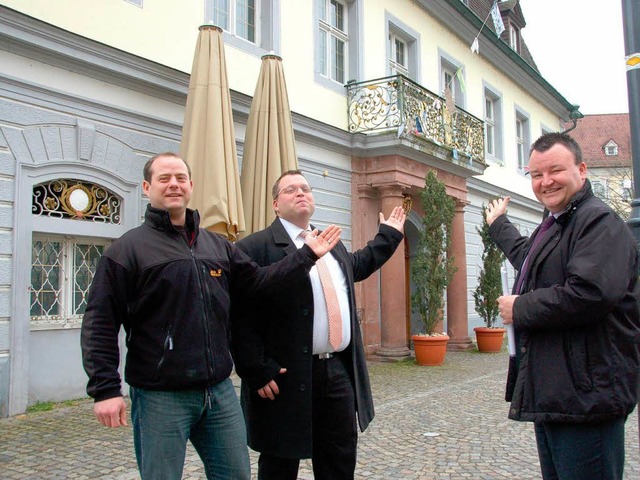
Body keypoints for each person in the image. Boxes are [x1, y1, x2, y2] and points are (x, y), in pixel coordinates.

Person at [80, 153, 341, 480]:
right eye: (164, 179)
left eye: (180, 178)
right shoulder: (126, 251)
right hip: (160, 396)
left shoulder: (218, 246)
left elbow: (259, 283)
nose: (173, 184)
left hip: (218, 391)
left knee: (236, 475)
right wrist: (105, 389)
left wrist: (306, 256)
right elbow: (100, 322)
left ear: (191, 186)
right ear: (147, 187)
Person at [231, 169, 406, 480]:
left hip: (337, 371)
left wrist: (389, 235)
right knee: (280, 466)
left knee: (339, 461)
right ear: (275, 203)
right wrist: (255, 369)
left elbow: (358, 264)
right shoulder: (255, 248)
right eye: (290, 190)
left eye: (306, 188)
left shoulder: (330, 242)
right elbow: (240, 316)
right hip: (284, 376)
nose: (300, 193)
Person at [485, 132, 640, 480]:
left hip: (588, 397)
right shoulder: (557, 223)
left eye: (555, 170)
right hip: (560, 394)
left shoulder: (597, 221)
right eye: (536, 175)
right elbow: (532, 260)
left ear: (582, 170)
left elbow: (589, 293)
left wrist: (521, 307)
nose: (545, 181)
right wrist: (499, 227)